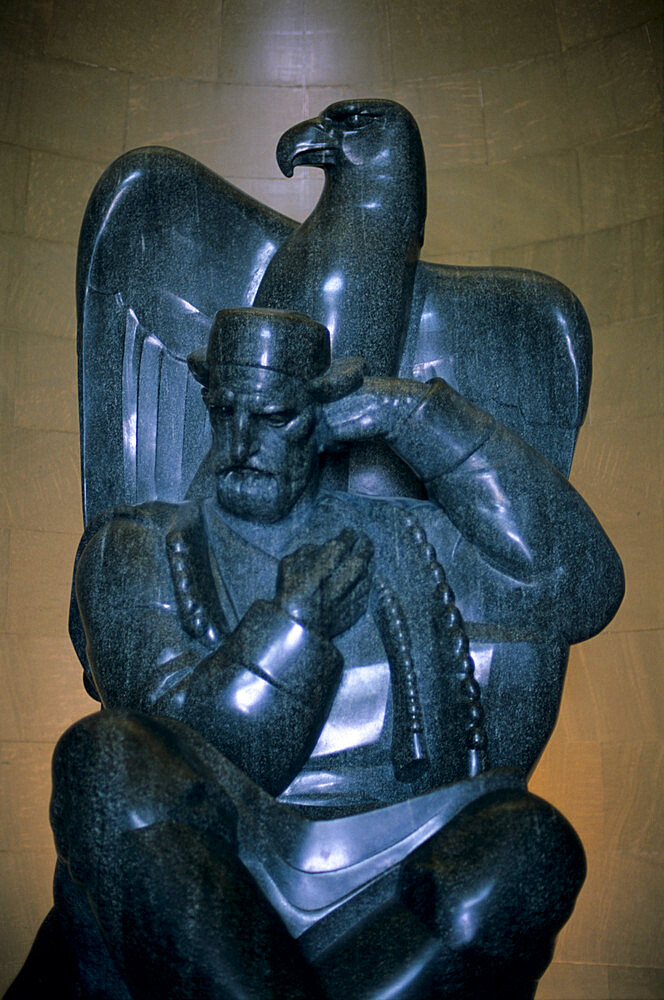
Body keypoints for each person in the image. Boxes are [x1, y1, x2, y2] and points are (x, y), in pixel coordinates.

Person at [46, 307, 622, 999]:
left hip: (387, 876)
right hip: (211, 872)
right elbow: (175, 746)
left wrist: (416, 417)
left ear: (327, 415)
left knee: (533, 842)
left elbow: (581, 590)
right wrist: (295, 631)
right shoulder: (138, 545)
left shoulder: (411, 540)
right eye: (223, 412)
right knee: (106, 758)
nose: (237, 443)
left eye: (274, 417)